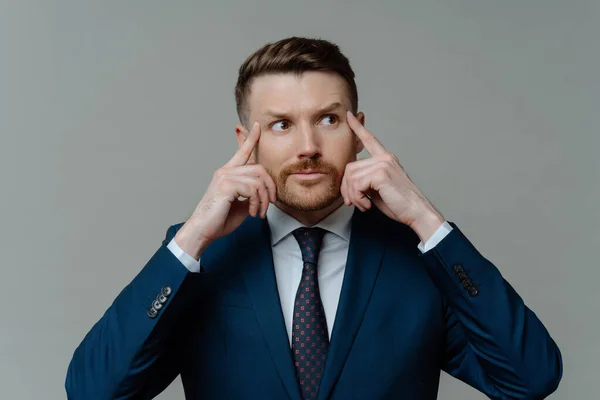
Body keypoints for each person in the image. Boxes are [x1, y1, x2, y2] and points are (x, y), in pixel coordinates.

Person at [65, 37, 562, 400]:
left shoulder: (416, 256)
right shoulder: (200, 257)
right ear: (246, 142)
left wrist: (426, 220)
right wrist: (192, 237)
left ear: (359, 131)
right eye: (281, 125)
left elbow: (529, 378)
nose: (307, 147)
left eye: (328, 119)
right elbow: (94, 392)